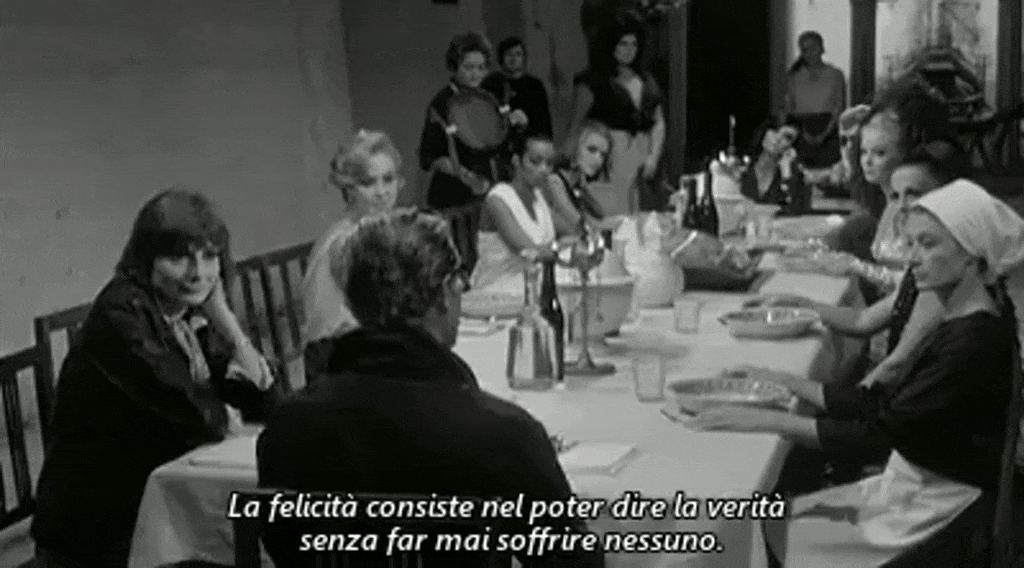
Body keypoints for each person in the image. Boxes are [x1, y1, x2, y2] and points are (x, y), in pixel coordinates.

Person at [693, 179, 1022, 562]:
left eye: (928, 244)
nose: (912, 258)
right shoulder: (968, 316)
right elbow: (882, 405)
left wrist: (767, 420)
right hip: (914, 485)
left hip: (939, 509)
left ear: (972, 254)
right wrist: (786, 381)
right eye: (911, 243)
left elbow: (878, 433)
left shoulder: (971, 341)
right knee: (769, 515)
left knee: (759, 529)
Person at [257, 208, 605, 567]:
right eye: (459, 280)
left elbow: (284, 548)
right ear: (445, 292)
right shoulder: (502, 435)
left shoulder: (288, 428)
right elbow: (575, 564)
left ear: (351, 303)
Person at [31, 188, 277, 568]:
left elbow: (263, 406)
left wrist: (230, 328)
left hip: (154, 504)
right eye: (179, 258)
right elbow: (197, 413)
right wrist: (224, 414)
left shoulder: (185, 311)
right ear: (145, 259)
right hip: (98, 528)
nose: (198, 273)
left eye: (210, 256)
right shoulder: (122, 314)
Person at [300, 129, 402, 379]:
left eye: (388, 179)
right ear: (349, 188)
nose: (382, 192)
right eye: (368, 183)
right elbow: (324, 332)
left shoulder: (385, 230)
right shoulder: (343, 242)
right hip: (345, 364)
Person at [419, 32, 516, 274]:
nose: (475, 74)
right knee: (462, 267)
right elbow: (430, 156)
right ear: (454, 67)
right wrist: (466, 176)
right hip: (456, 200)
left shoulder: (490, 98)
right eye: (469, 67)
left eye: (481, 68)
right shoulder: (442, 103)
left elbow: (500, 145)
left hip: (490, 192)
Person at [567, 20, 665, 214]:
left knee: (642, 213)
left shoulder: (647, 80)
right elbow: (577, 123)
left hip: (642, 157)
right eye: (623, 44)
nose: (629, 50)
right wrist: (570, 159)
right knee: (612, 211)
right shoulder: (594, 81)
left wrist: (653, 157)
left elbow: (659, 122)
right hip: (610, 157)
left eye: (633, 44)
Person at [469, 133, 579, 300]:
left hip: (533, 284)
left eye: (549, 164)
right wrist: (559, 247)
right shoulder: (498, 199)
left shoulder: (539, 199)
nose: (544, 170)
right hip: (496, 291)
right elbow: (528, 251)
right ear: (517, 161)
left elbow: (573, 233)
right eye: (535, 161)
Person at [783, 31, 847, 169]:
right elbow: (790, 109)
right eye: (805, 50)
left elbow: (839, 108)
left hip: (828, 129)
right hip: (801, 131)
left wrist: (824, 135)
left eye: (813, 48)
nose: (809, 54)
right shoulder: (794, 76)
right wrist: (803, 133)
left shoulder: (835, 74)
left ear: (822, 48)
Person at [481, 36, 554, 138]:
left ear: (524, 58)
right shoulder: (491, 84)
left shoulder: (534, 85)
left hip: (529, 140)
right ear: (501, 58)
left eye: (518, 54)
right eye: (509, 55)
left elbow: (544, 121)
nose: (514, 59)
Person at [548, 120, 613, 233]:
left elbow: (597, 217)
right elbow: (581, 225)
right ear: (575, 147)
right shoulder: (555, 182)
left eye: (603, 155)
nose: (598, 160)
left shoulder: (577, 185)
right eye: (591, 149)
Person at [740, 117, 809, 213]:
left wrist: (786, 173)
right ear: (765, 132)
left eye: (787, 137)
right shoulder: (743, 168)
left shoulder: (791, 176)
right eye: (775, 131)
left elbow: (794, 210)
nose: (778, 138)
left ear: (791, 147)